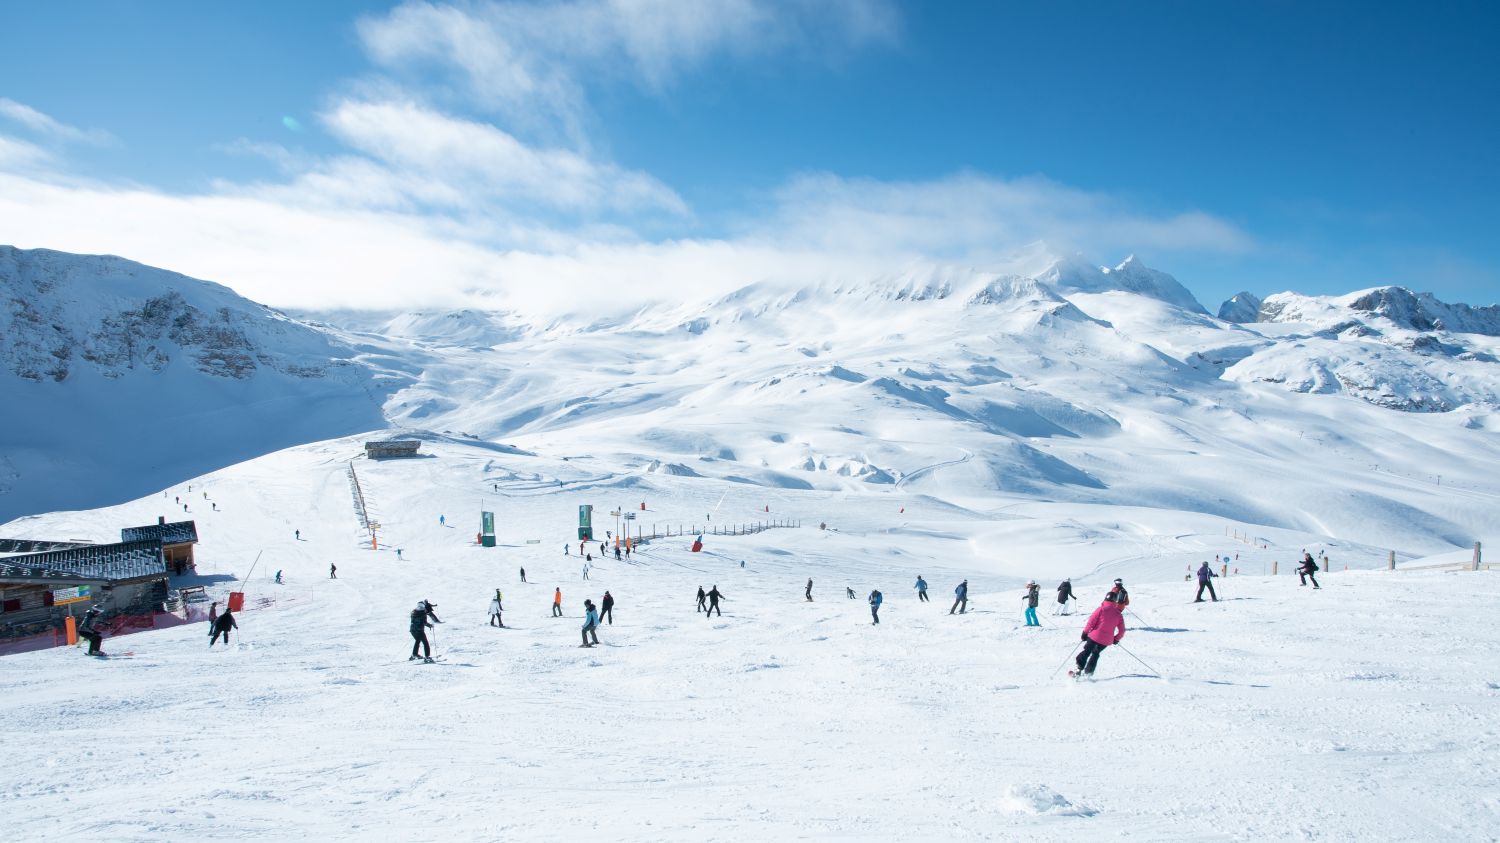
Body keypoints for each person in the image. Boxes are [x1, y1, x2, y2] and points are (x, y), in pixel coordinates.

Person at [1071, 593, 1126, 678]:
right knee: (1096, 653)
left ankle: (1079, 669)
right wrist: (1116, 639)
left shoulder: (1101, 609)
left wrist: (1085, 633)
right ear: (1115, 601)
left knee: (1087, 651)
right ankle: (1089, 672)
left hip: (1094, 636)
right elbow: (1122, 631)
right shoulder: (1118, 614)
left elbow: (1091, 622)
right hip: (1106, 640)